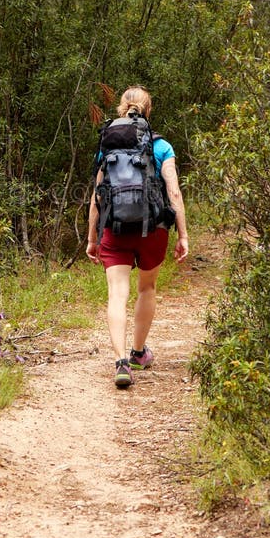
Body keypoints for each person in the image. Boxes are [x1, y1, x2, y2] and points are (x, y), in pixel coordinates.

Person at [86, 85, 189, 388]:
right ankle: (138, 353)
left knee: (117, 294)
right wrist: (182, 234)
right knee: (147, 288)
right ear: (148, 109)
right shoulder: (161, 146)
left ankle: (120, 362)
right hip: (153, 228)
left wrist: (92, 238)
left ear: (122, 107)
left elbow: (97, 195)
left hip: (114, 227)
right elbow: (173, 192)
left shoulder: (107, 145)